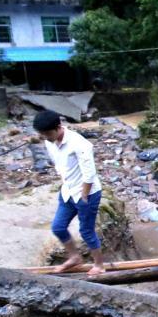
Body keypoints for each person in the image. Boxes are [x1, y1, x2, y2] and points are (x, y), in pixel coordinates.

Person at [33, 109, 105, 276]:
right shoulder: (49, 141)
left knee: (86, 231)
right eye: (42, 134)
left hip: (87, 193)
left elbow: (89, 174)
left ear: (58, 127)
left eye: (47, 133)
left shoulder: (79, 144)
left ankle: (100, 264)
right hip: (67, 191)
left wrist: (84, 196)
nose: (45, 137)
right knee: (58, 227)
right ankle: (74, 257)